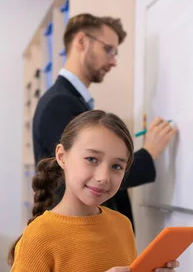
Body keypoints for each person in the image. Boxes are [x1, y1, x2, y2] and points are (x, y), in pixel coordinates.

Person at [5, 110, 180, 272]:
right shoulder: (39, 238)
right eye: (91, 159)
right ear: (62, 156)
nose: (103, 177)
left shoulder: (121, 225)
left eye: (117, 166)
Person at [32, 13, 177, 228]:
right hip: (76, 234)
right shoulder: (61, 103)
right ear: (81, 41)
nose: (113, 61)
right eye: (108, 49)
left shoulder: (71, 100)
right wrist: (149, 152)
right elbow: (89, 177)